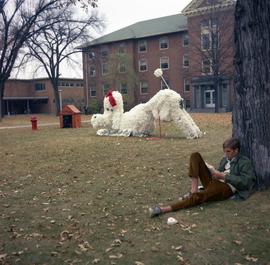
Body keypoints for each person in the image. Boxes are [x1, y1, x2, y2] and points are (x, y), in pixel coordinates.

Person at [149, 137, 256, 218]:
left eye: (228, 151)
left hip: (226, 188)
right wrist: (213, 171)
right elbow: (219, 172)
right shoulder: (225, 160)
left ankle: (164, 209)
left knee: (200, 196)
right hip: (216, 180)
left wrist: (224, 176)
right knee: (195, 156)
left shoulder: (244, 162)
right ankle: (193, 190)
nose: (225, 154)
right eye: (224, 151)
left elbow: (246, 181)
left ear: (236, 151)